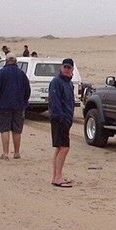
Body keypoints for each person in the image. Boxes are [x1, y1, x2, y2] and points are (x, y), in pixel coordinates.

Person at [0, 53, 31, 160]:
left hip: (3, 105)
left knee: (5, 129)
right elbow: (27, 90)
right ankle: (16, 153)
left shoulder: (1, 73)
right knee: (17, 130)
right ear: (16, 62)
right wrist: (24, 101)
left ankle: (6, 153)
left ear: (6, 61)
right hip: (19, 106)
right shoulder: (22, 74)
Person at [49, 58, 76, 187]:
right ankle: (58, 177)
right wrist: (61, 118)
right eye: (65, 67)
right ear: (61, 68)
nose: (66, 69)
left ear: (72, 69)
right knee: (64, 148)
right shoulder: (56, 82)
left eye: (69, 68)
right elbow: (54, 102)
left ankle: (56, 176)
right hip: (59, 120)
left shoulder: (69, 84)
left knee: (60, 148)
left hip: (66, 120)